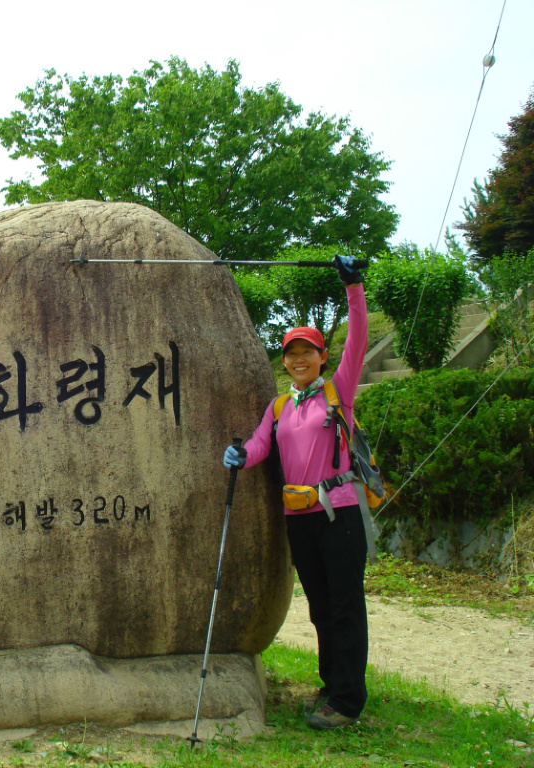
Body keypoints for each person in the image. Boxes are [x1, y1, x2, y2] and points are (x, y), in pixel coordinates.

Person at [222, 254, 369, 731]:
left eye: (308, 351)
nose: (300, 359)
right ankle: (332, 686)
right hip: (298, 517)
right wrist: (241, 456)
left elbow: (359, 343)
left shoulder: (336, 392)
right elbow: (262, 444)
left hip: (338, 513)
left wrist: (353, 287)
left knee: (345, 604)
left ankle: (347, 701)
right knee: (321, 605)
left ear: (322, 356)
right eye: (291, 352)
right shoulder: (280, 406)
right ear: (283, 360)